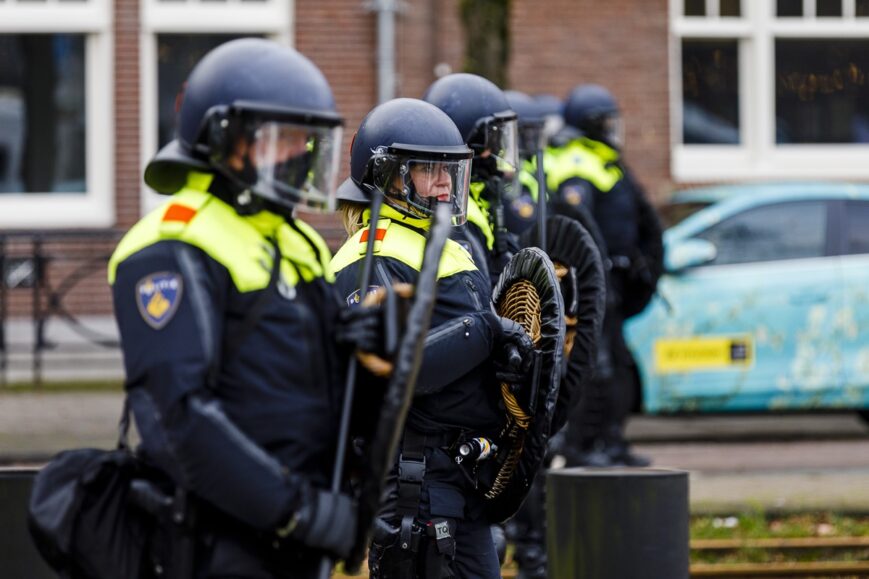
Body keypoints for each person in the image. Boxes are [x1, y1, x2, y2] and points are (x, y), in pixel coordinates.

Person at [108, 38, 371, 578]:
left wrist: (373, 353)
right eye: (282, 140)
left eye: (307, 140)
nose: (298, 156)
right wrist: (296, 510)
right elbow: (178, 418)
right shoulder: (169, 244)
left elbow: (324, 393)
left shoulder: (297, 241)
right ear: (226, 140)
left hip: (298, 538)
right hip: (215, 544)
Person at [329, 97, 535, 579]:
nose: (444, 182)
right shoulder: (368, 259)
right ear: (387, 177)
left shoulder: (436, 243)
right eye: (427, 170)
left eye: (449, 170)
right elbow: (392, 372)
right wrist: (484, 331)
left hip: (460, 474)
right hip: (414, 483)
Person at [545, 83, 664, 467]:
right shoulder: (578, 163)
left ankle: (611, 440)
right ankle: (585, 446)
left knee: (617, 365)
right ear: (591, 124)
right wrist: (595, 278)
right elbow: (579, 225)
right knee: (597, 367)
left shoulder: (602, 157)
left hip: (614, 279)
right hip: (594, 283)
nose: (613, 129)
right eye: (606, 121)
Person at [423, 73, 521, 288]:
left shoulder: (477, 198)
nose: (499, 149)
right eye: (494, 139)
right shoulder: (449, 210)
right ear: (467, 139)